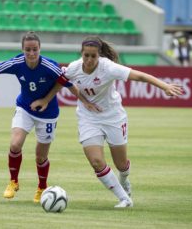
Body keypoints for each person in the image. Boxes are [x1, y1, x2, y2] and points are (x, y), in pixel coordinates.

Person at [30, 36, 183, 208]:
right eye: (86, 55)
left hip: (113, 117)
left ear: (99, 55)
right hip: (88, 118)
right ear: (81, 54)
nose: (88, 60)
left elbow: (139, 76)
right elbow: (60, 82)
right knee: (96, 162)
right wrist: (46, 100)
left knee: (121, 165)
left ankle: (124, 179)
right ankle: (124, 198)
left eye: (93, 56)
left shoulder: (108, 68)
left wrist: (165, 86)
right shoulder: (74, 67)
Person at [0, 31, 97, 203]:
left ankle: (42, 187)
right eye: (27, 50)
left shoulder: (50, 66)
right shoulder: (17, 62)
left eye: (35, 50)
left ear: (40, 49)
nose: (31, 54)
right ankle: (13, 181)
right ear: (22, 49)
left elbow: (67, 84)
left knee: (41, 156)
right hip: (25, 108)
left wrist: (85, 102)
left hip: (48, 114)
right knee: (15, 144)